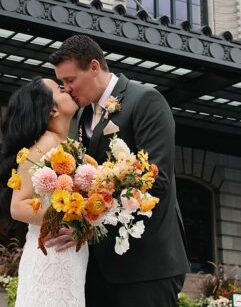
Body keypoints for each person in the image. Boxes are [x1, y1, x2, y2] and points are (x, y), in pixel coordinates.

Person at [47, 34, 188, 307]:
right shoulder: (81, 116)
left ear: (94, 67)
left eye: (70, 80)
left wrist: (86, 225)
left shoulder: (146, 100)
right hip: (98, 269)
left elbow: (155, 182)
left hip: (147, 267)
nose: (66, 89)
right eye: (62, 83)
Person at [0, 77, 86, 307]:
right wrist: (69, 217)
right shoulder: (43, 145)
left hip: (69, 256)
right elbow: (17, 206)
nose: (67, 88)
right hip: (51, 255)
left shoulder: (68, 145)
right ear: (53, 110)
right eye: (59, 88)